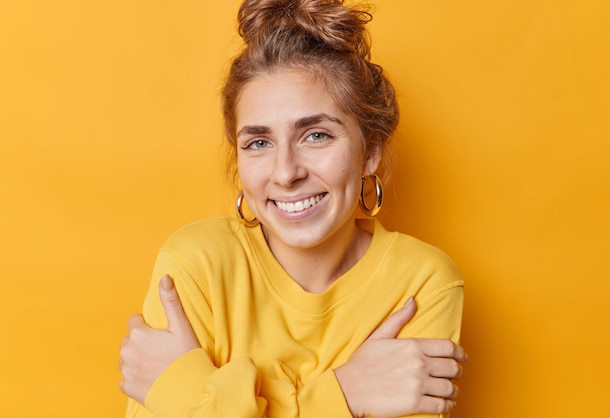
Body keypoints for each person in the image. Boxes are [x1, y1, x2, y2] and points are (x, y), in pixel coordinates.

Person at [119, 0, 467, 417]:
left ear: (370, 152)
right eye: (259, 143)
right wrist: (346, 395)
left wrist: (186, 392)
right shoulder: (196, 266)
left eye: (316, 135)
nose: (285, 173)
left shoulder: (422, 283)